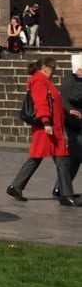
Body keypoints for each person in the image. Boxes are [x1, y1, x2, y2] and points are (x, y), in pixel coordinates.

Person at [7, 57, 78, 207]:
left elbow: (52, 102)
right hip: (48, 128)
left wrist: (67, 111)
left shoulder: (41, 80)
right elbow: (41, 103)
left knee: (40, 158)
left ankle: (16, 186)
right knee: (58, 160)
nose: (53, 73)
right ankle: (65, 194)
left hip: (52, 128)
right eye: (53, 70)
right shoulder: (39, 81)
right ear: (46, 68)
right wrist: (46, 122)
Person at [61, 53, 82, 191]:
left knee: (75, 157)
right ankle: (62, 188)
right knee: (77, 153)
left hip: (76, 121)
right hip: (74, 122)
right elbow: (75, 98)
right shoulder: (71, 80)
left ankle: (61, 187)